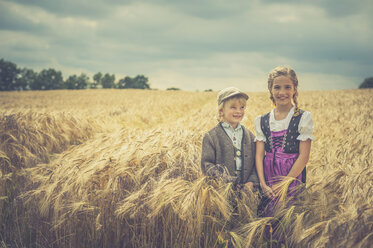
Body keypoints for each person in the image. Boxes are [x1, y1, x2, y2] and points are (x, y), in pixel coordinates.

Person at [255, 66, 314, 217]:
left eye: (287, 87)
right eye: (277, 87)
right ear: (270, 89)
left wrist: (284, 183)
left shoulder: (303, 118)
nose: (282, 92)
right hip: (268, 175)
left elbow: (304, 156)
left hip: (292, 175)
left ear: (294, 89)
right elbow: (259, 155)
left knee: (290, 216)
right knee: (269, 218)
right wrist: (262, 183)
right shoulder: (262, 120)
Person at [201, 87, 259, 193]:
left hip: (247, 191)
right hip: (222, 192)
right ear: (221, 110)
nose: (238, 111)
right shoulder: (211, 136)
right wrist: (228, 181)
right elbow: (207, 165)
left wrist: (252, 182)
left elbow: (257, 162)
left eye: (242, 107)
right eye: (233, 107)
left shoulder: (249, 135)